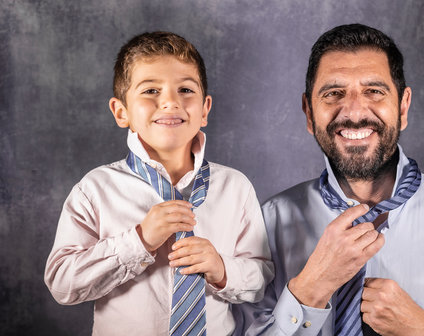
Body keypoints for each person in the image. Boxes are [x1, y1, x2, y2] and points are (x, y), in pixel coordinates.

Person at [244, 24, 424, 335]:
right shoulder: (270, 221)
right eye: (334, 93)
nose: (355, 112)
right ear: (308, 113)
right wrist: (310, 289)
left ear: (403, 105)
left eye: (374, 91)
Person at [44, 31, 274, 336]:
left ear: (204, 109)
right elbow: (62, 283)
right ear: (121, 111)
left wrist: (221, 269)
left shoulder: (236, 187)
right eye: (151, 90)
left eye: (185, 90)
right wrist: (138, 242)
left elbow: (261, 278)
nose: (169, 102)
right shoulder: (94, 189)